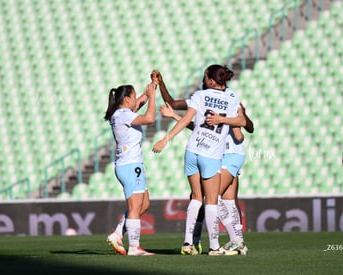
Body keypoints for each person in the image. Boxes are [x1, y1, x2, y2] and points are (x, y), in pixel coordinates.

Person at [155, 70, 254, 255]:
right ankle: (232, 241)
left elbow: (244, 129)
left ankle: (223, 241)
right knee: (226, 201)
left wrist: (225, 120)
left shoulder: (230, 97)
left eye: (205, 77)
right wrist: (163, 88)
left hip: (229, 153)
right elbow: (186, 114)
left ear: (211, 80)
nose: (202, 80)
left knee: (210, 198)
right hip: (216, 153)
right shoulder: (205, 97)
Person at [104, 78, 157, 256]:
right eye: (133, 97)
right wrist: (154, 97)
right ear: (126, 99)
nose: (136, 100)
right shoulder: (125, 115)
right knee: (135, 208)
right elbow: (149, 118)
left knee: (144, 203)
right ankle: (134, 247)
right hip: (130, 165)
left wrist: (149, 90)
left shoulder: (119, 114)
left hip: (129, 164)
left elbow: (138, 104)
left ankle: (118, 233)